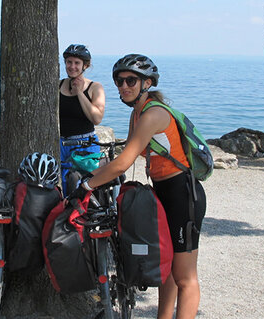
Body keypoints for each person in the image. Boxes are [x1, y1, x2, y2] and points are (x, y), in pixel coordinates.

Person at [75, 54, 206, 319]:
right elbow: (121, 159)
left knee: (184, 277)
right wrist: (90, 178)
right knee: (166, 267)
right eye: (119, 81)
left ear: (147, 83)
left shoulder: (153, 114)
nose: (124, 86)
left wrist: (86, 185)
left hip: (183, 194)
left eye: (131, 80)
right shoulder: (138, 114)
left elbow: (123, 163)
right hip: (163, 192)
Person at [58, 44, 105, 194]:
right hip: (61, 144)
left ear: (86, 65)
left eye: (77, 63)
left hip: (85, 145)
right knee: (61, 187)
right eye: (69, 62)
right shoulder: (58, 85)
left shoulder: (95, 87)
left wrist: (79, 92)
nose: (72, 67)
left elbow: (97, 118)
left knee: (82, 188)